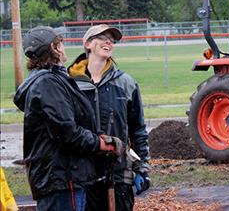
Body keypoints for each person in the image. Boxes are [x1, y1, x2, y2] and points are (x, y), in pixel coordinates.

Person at [14, 26, 117, 211]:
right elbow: (66, 131)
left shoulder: (54, 79)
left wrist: (97, 135)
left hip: (66, 177)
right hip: (61, 178)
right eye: (60, 42)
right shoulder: (47, 83)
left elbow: (74, 120)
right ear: (55, 48)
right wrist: (99, 144)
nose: (64, 46)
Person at [68, 24, 150, 211]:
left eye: (111, 39)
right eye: (102, 37)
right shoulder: (70, 84)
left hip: (119, 174)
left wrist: (142, 168)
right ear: (88, 44)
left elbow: (138, 129)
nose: (108, 42)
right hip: (83, 175)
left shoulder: (126, 83)